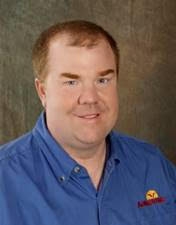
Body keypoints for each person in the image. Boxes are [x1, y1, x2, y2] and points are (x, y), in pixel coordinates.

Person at [0, 20, 175, 225]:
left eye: (103, 80)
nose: (90, 98)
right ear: (43, 92)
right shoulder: (4, 182)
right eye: (71, 82)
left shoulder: (152, 165)